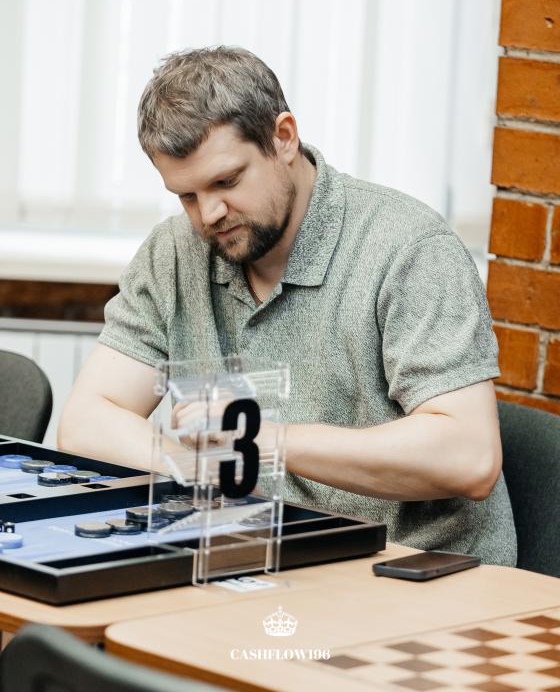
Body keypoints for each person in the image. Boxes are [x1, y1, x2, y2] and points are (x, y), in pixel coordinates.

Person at [59, 46, 516, 565]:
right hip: (268, 560)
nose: (209, 214)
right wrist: (203, 471)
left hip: (418, 571)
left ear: (283, 137)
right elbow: (86, 421)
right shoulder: (175, 251)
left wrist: (264, 440)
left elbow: (469, 456)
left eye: (227, 181)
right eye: (186, 195)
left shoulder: (409, 248)